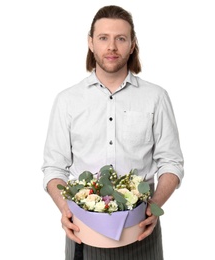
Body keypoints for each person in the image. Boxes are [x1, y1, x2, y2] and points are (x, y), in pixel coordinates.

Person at [42, 5, 184, 260]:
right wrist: (66, 209)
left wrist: (154, 206)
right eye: (103, 38)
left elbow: (171, 162)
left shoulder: (156, 98)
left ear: (132, 45)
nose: (112, 47)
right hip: (84, 232)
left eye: (120, 38)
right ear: (91, 43)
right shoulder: (67, 101)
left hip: (141, 232)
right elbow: (53, 168)